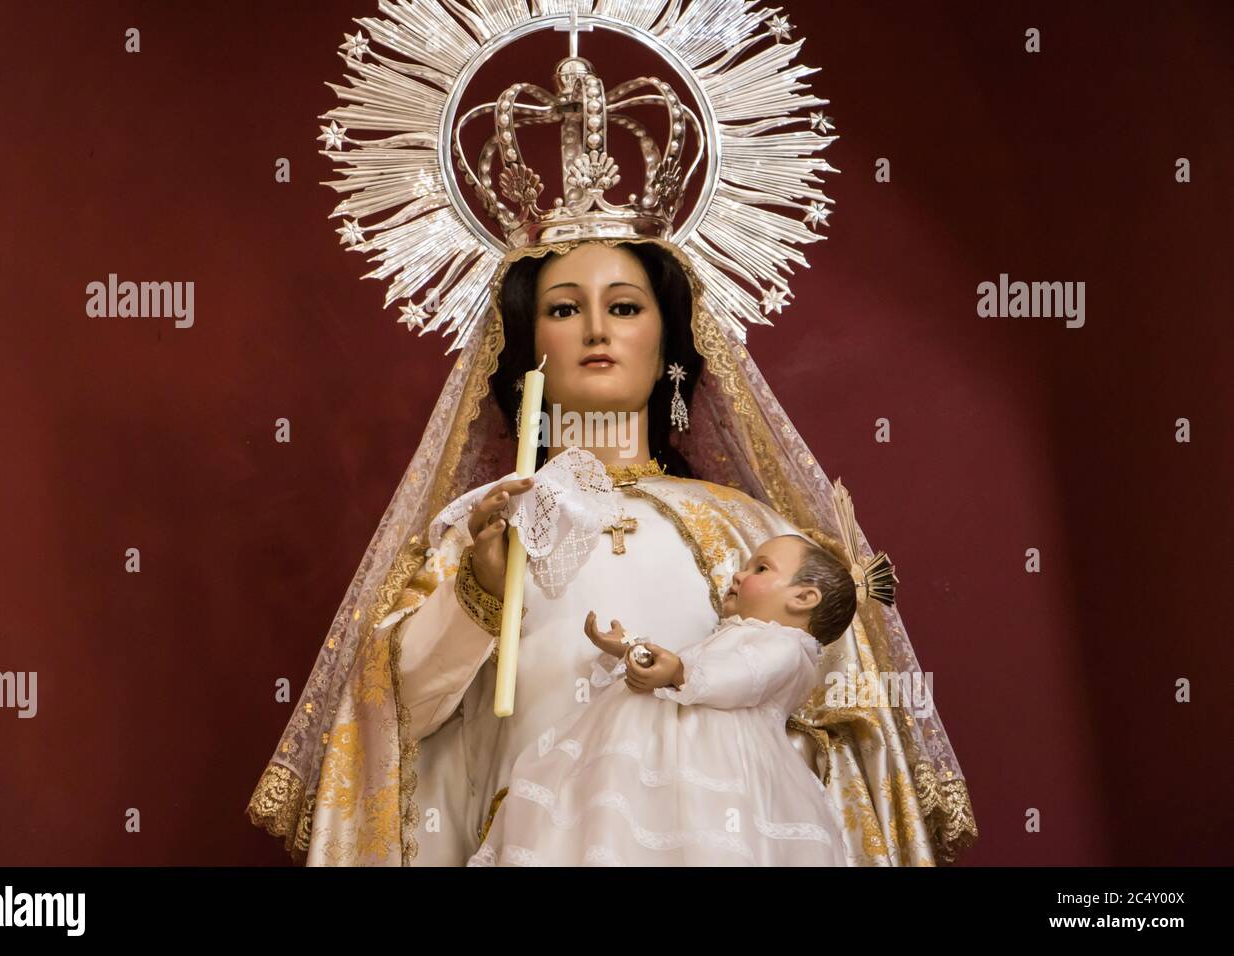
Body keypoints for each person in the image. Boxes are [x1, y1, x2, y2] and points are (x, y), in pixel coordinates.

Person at [247, 9, 977, 867]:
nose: (596, 327)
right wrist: (478, 594)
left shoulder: (751, 532)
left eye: (625, 307)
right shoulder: (491, 518)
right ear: (529, 347)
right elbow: (396, 711)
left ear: (667, 337)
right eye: (564, 308)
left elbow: (832, 718)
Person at [468, 534, 856, 866]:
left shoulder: (784, 647)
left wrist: (678, 674)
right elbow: (687, 667)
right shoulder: (732, 635)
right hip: (656, 749)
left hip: (715, 761)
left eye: (761, 569)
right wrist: (630, 649)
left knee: (694, 835)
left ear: (803, 597)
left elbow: (743, 677)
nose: (739, 574)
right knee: (616, 825)